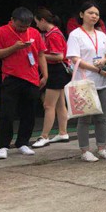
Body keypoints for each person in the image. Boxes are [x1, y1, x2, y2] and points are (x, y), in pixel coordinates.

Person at [0, 7, 48, 159]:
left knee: (29, 113)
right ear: (12, 20)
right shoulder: (1, 31)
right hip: (11, 77)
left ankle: (23, 142)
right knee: (7, 113)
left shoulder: (34, 32)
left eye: (26, 26)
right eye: (20, 26)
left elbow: (41, 54)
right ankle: (3, 145)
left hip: (32, 77)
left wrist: (45, 74)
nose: (23, 29)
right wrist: (14, 47)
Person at [66, 1, 106, 162]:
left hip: (102, 80)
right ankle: (85, 150)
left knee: (102, 117)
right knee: (85, 118)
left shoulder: (101, 35)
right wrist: (97, 69)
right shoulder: (75, 35)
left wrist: (104, 61)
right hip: (85, 81)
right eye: (90, 13)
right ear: (81, 15)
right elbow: (75, 59)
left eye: (97, 14)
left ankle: (102, 147)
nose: (94, 16)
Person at [32, 8, 70, 148]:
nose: (37, 26)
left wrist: (40, 55)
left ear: (42, 20)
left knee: (48, 105)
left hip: (56, 71)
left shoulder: (53, 35)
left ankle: (44, 136)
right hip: (59, 71)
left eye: (37, 22)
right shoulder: (54, 32)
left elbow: (59, 56)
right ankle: (63, 132)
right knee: (60, 104)